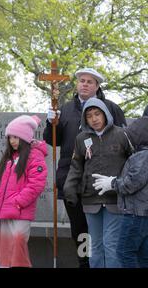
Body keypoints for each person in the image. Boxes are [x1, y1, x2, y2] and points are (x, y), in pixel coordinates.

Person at [43, 67, 126, 268]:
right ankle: (84, 263)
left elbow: (125, 142)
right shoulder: (65, 109)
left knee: (105, 235)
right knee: (80, 230)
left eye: (90, 81)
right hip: (72, 181)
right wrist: (51, 124)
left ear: (97, 86)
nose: (85, 84)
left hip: (103, 185)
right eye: (82, 81)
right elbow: (53, 141)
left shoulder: (112, 109)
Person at [63, 98, 133, 268]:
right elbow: (76, 166)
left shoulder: (122, 134)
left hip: (115, 199)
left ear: (105, 114)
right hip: (90, 200)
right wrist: (69, 189)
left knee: (111, 244)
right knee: (94, 246)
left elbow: (134, 162)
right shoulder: (81, 138)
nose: (94, 119)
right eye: (89, 116)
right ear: (84, 120)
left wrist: (124, 184)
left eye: (97, 114)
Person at [0, 115, 47, 267]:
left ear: (25, 138)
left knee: (18, 249)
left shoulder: (34, 156)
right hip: (5, 210)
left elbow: (36, 184)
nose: (12, 140)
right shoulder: (10, 158)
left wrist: (18, 202)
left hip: (20, 211)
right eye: (10, 137)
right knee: (6, 251)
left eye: (16, 137)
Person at [92, 114, 148, 267]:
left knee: (124, 252)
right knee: (143, 255)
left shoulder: (142, 156)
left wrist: (113, 183)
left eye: (130, 136)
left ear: (139, 137)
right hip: (142, 213)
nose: (128, 141)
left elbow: (132, 183)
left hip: (135, 214)